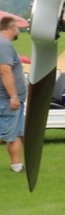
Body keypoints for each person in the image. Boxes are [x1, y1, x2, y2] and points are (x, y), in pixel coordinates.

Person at [0, 15, 24, 173]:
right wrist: (13, 96)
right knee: (4, 134)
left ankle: (17, 166)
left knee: (15, 133)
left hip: (11, 98)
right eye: (18, 27)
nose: (18, 31)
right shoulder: (4, 45)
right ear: (11, 27)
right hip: (7, 99)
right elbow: (5, 71)